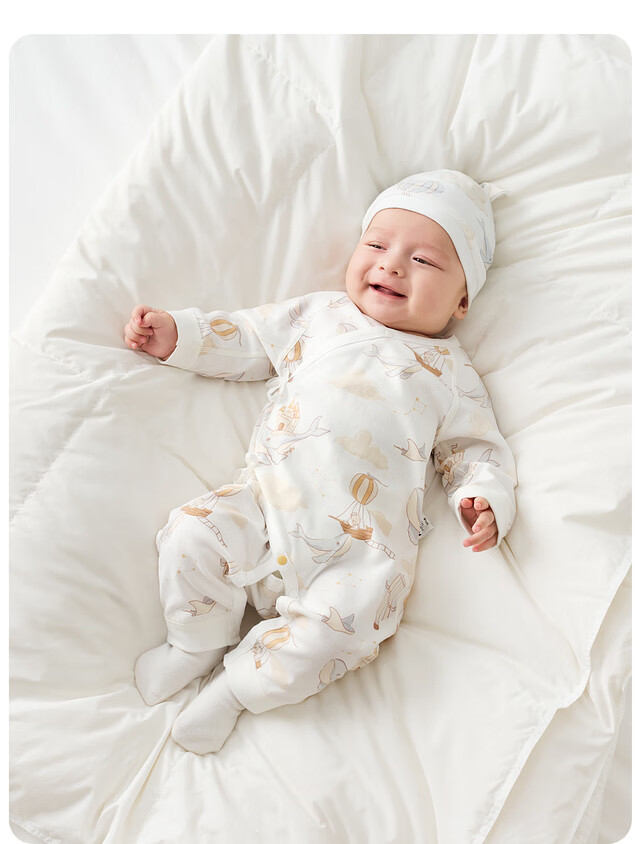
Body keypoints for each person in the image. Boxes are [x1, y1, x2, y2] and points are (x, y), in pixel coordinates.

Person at [126, 169, 517, 754]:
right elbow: (249, 337)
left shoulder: (452, 374)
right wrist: (180, 336)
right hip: (264, 504)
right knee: (191, 533)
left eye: (424, 261)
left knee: (352, 626)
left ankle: (235, 690)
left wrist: (483, 499)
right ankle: (195, 641)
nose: (391, 266)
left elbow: (477, 450)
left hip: (361, 549)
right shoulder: (321, 316)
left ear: (463, 299)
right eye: (377, 245)